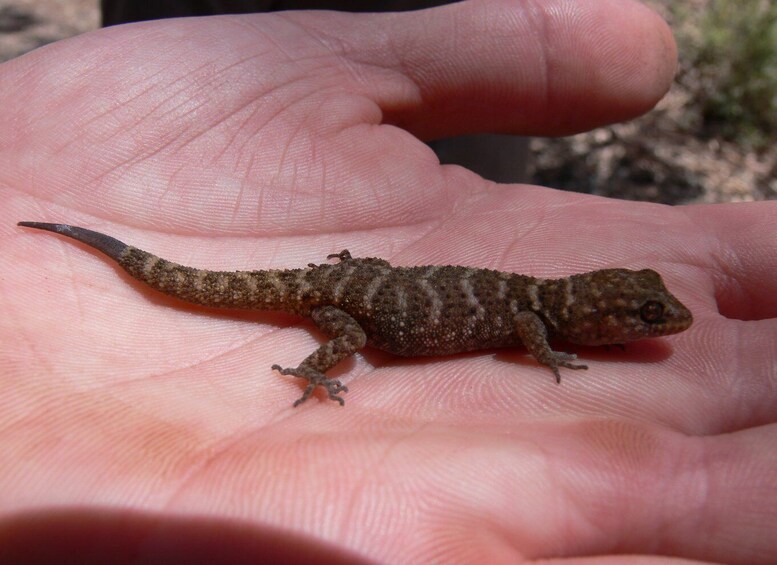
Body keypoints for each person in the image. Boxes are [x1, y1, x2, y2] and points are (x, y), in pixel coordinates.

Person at [1, 2, 775, 562]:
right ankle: (312, 366)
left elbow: (530, 329)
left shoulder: (541, 311)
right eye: (645, 312)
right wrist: (545, 355)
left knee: (333, 306)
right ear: (598, 317)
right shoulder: (538, 322)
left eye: (646, 311)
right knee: (342, 337)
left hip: (363, 284)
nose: (658, 321)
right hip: (356, 307)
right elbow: (529, 337)